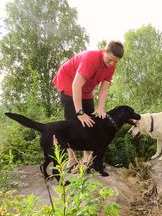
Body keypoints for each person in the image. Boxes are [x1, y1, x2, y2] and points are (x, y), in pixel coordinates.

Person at [53, 40, 124, 168]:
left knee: (92, 121)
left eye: (115, 61)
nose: (112, 64)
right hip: (69, 84)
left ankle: (87, 159)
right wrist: (79, 113)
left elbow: (104, 88)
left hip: (86, 89)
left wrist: (101, 108)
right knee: (73, 123)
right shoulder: (90, 59)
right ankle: (72, 161)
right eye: (110, 59)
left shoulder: (111, 66)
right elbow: (76, 85)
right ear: (104, 51)